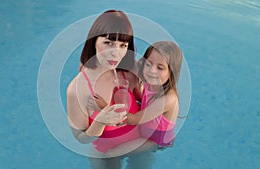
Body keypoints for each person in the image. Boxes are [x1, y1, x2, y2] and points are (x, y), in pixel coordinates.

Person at [67, 10, 146, 169]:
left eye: (122, 45)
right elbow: (81, 138)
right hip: (105, 153)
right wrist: (100, 121)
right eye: (108, 43)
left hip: (138, 146)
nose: (116, 53)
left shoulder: (130, 71)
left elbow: (153, 102)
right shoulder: (77, 89)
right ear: (93, 41)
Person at [106, 41, 183, 163]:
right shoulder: (152, 81)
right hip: (146, 126)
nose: (152, 70)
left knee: (112, 153)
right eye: (149, 64)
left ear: (171, 72)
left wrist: (108, 110)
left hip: (155, 140)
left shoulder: (167, 99)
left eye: (160, 67)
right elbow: (131, 63)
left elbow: (135, 119)